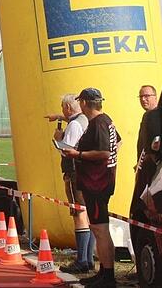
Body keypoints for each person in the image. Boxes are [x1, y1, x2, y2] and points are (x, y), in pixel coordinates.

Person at [61, 87, 121, 288]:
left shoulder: (99, 123)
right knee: (98, 227)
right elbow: (117, 143)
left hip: (97, 183)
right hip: (99, 180)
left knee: (100, 228)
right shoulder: (105, 121)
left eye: (81, 102)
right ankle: (104, 271)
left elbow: (104, 152)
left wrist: (78, 155)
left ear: (85, 103)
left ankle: (108, 275)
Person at [45, 94, 94, 274]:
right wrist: (58, 117)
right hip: (86, 173)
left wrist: (57, 139)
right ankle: (88, 259)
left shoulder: (74, 125)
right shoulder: (85, 120)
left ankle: (82, 260)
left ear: (68, 107)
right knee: (87, 214)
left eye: (63, 108)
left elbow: (67, 150)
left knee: (79, 213)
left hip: (74, 173)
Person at [132, 85, 161, 214]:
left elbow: (156, 143)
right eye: (141, 96)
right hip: (145, 166)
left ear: (155, 97)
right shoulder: (147, 115)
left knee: (140, 205)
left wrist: (150, 159)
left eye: (147, 96)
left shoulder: (155, 115)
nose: (143, 99)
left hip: (153, 169)